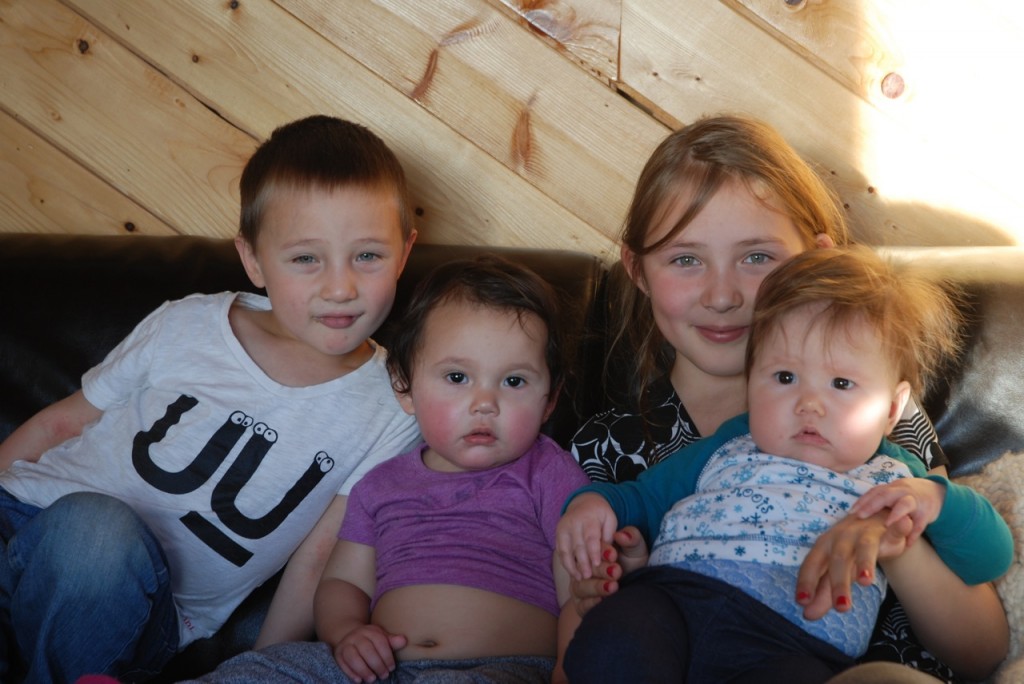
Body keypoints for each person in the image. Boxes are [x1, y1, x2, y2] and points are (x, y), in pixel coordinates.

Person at [567, 114, 1009, 681]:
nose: (724, 295)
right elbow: (574, 641)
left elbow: (982, 646)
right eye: (685, 259)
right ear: (638, 270)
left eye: (757, 257)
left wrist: (894, 537)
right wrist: (605, 574)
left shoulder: (880, 428)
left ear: (814, 263)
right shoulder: (607, 448)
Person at [0, 115, 421, 682]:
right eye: (305, 259)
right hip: (20, 519)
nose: (340, 287)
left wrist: (257, 670)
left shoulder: (392, 406)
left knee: (97, 531)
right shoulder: (190, 322)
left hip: (135, 609)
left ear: (404, 252)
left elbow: (319, 556)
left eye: (367, 256)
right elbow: (64, 422)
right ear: (253, 260)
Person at [184, 255, 591, 683]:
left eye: (514, 381)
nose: (484, 403)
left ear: (550, 400)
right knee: (260, 671)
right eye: (457, 377)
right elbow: (344, 583)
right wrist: (347, 633)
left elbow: (581, 585)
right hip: (375, 669)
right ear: (405, 386)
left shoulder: (550, 474)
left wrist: (570, 665)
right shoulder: (380, 485)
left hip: (502, 668)